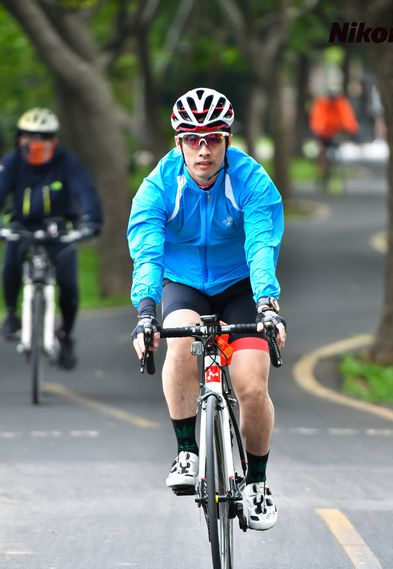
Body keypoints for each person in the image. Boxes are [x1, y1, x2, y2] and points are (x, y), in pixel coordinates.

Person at [128, 87, 286, 531]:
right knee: (180, 344)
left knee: (251, 384)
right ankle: (186, 451)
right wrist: (146, 311)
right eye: (193, 139)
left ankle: (257, 483)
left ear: (227, 141)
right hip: (184, 286)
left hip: (241, 286)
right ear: (178, 142)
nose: (203, 149)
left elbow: (262, 245)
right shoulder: (158, 186)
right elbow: (147, 252)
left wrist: (267, 304)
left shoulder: (252, 181)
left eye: (213, 138)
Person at [0, 108, 103, 369]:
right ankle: (11, 314)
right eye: (30, 136)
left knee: (68, 284)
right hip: (22, 226)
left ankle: (66, 334)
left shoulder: (67, 162)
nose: (36, 142)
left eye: (43, 137)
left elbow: (85, 191)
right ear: (20, 138)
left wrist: (92, 220)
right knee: (10, 262)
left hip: (60, 228)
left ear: (54, 140)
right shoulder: (12, 161)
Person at [309, 91, 359, 183]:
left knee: (337, 147)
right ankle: (321, 172)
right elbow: (318, 119)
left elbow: (348, 118)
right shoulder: (322, 104)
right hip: (323, 134)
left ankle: (334, 170)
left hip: (336, 133)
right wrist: (320, 130)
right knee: (322, 150)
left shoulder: (341, 104)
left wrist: (349, 129)